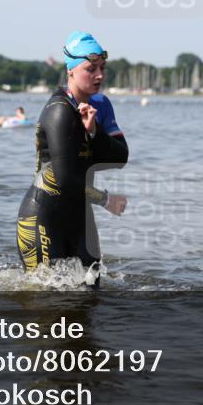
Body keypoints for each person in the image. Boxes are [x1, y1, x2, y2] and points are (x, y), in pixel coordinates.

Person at [16, 32, 129, 281]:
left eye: (102, 68)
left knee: (90, 296)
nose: (99, 75)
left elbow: (121, 157)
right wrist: (105, 199)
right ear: (71, 71)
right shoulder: (59, 111)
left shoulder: (101, 105)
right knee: (48, 306)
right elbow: (65, 180)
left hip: (79, 217)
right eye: (91, 68)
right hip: (44, 217)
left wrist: (94, 131)